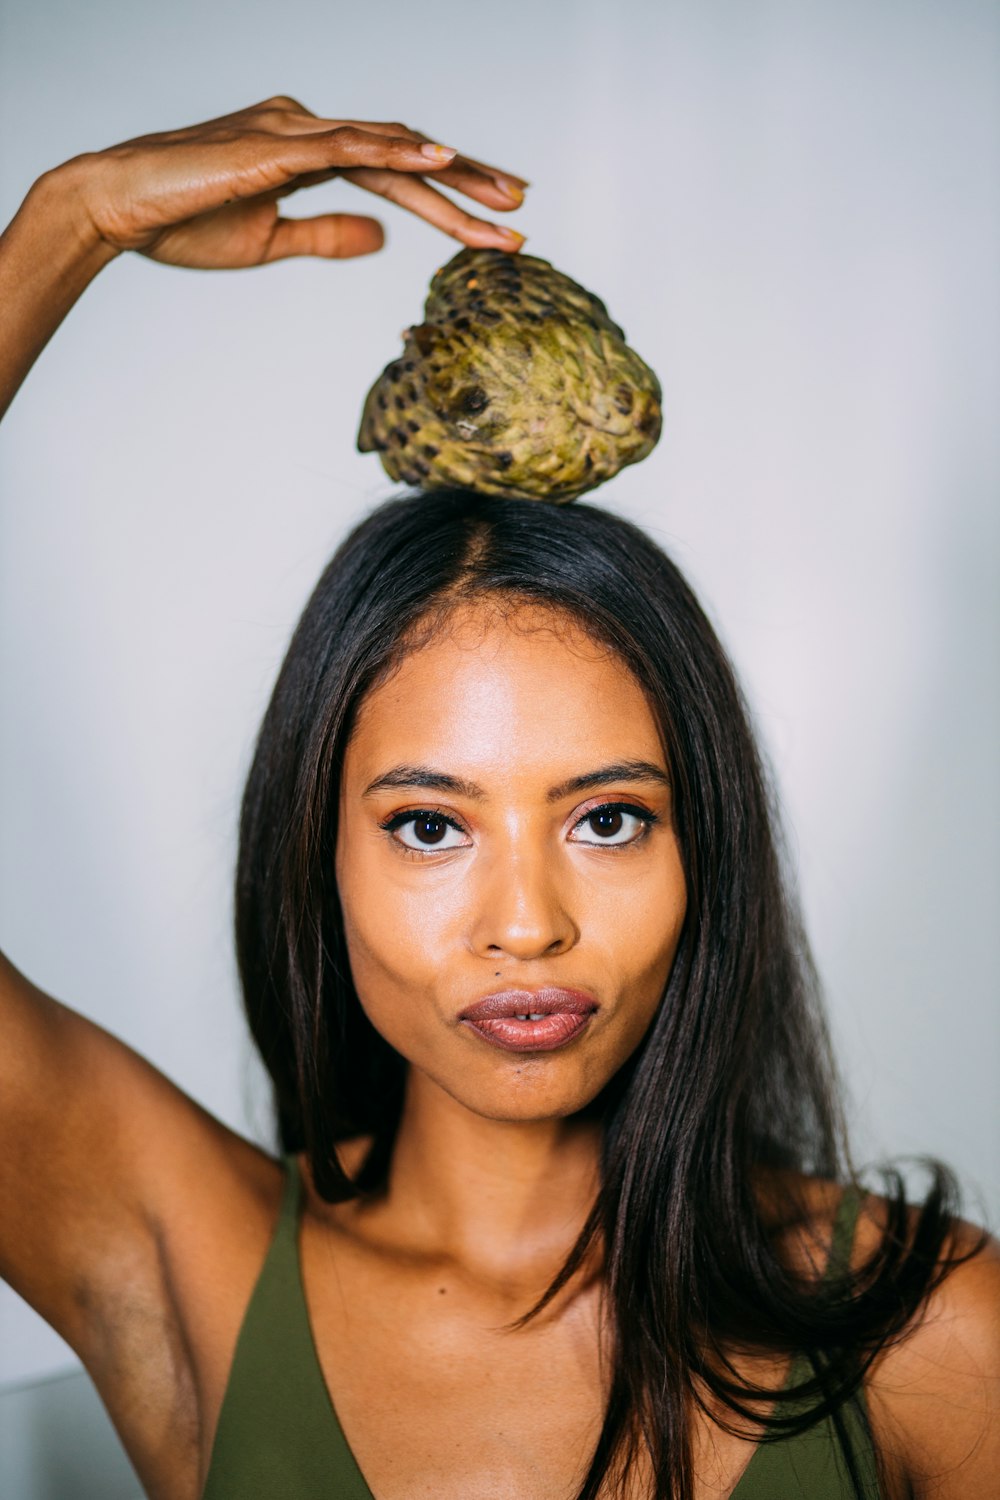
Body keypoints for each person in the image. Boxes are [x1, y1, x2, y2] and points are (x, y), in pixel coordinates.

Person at [0, 98, 997, 1500]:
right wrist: (67, 225)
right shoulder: (189, 1265)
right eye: (428, 826)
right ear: (316, 853)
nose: (524, 924)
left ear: (707, 845)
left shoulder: (932, 1329)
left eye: (607, 818)